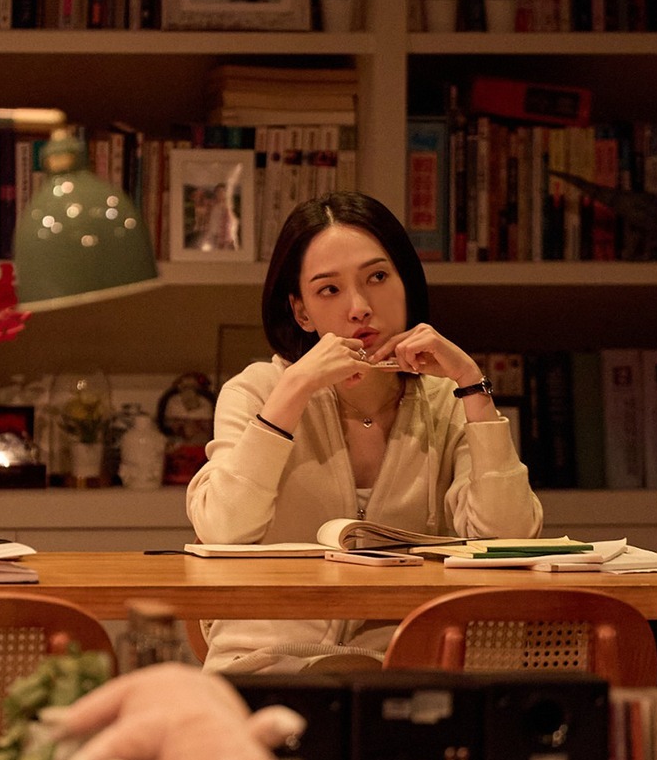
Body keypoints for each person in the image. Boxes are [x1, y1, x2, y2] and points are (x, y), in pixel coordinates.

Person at [186, 192, 542, 676]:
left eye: (377, 277)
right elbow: (224, 529)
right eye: (328, 290)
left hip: (408, 674)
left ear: (406, 286)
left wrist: (471, 383)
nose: (359, 308)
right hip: (266, 671)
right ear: (301, 312)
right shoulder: (258, 391)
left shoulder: (446, 400)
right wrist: (293, 390)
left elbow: (509, 536)